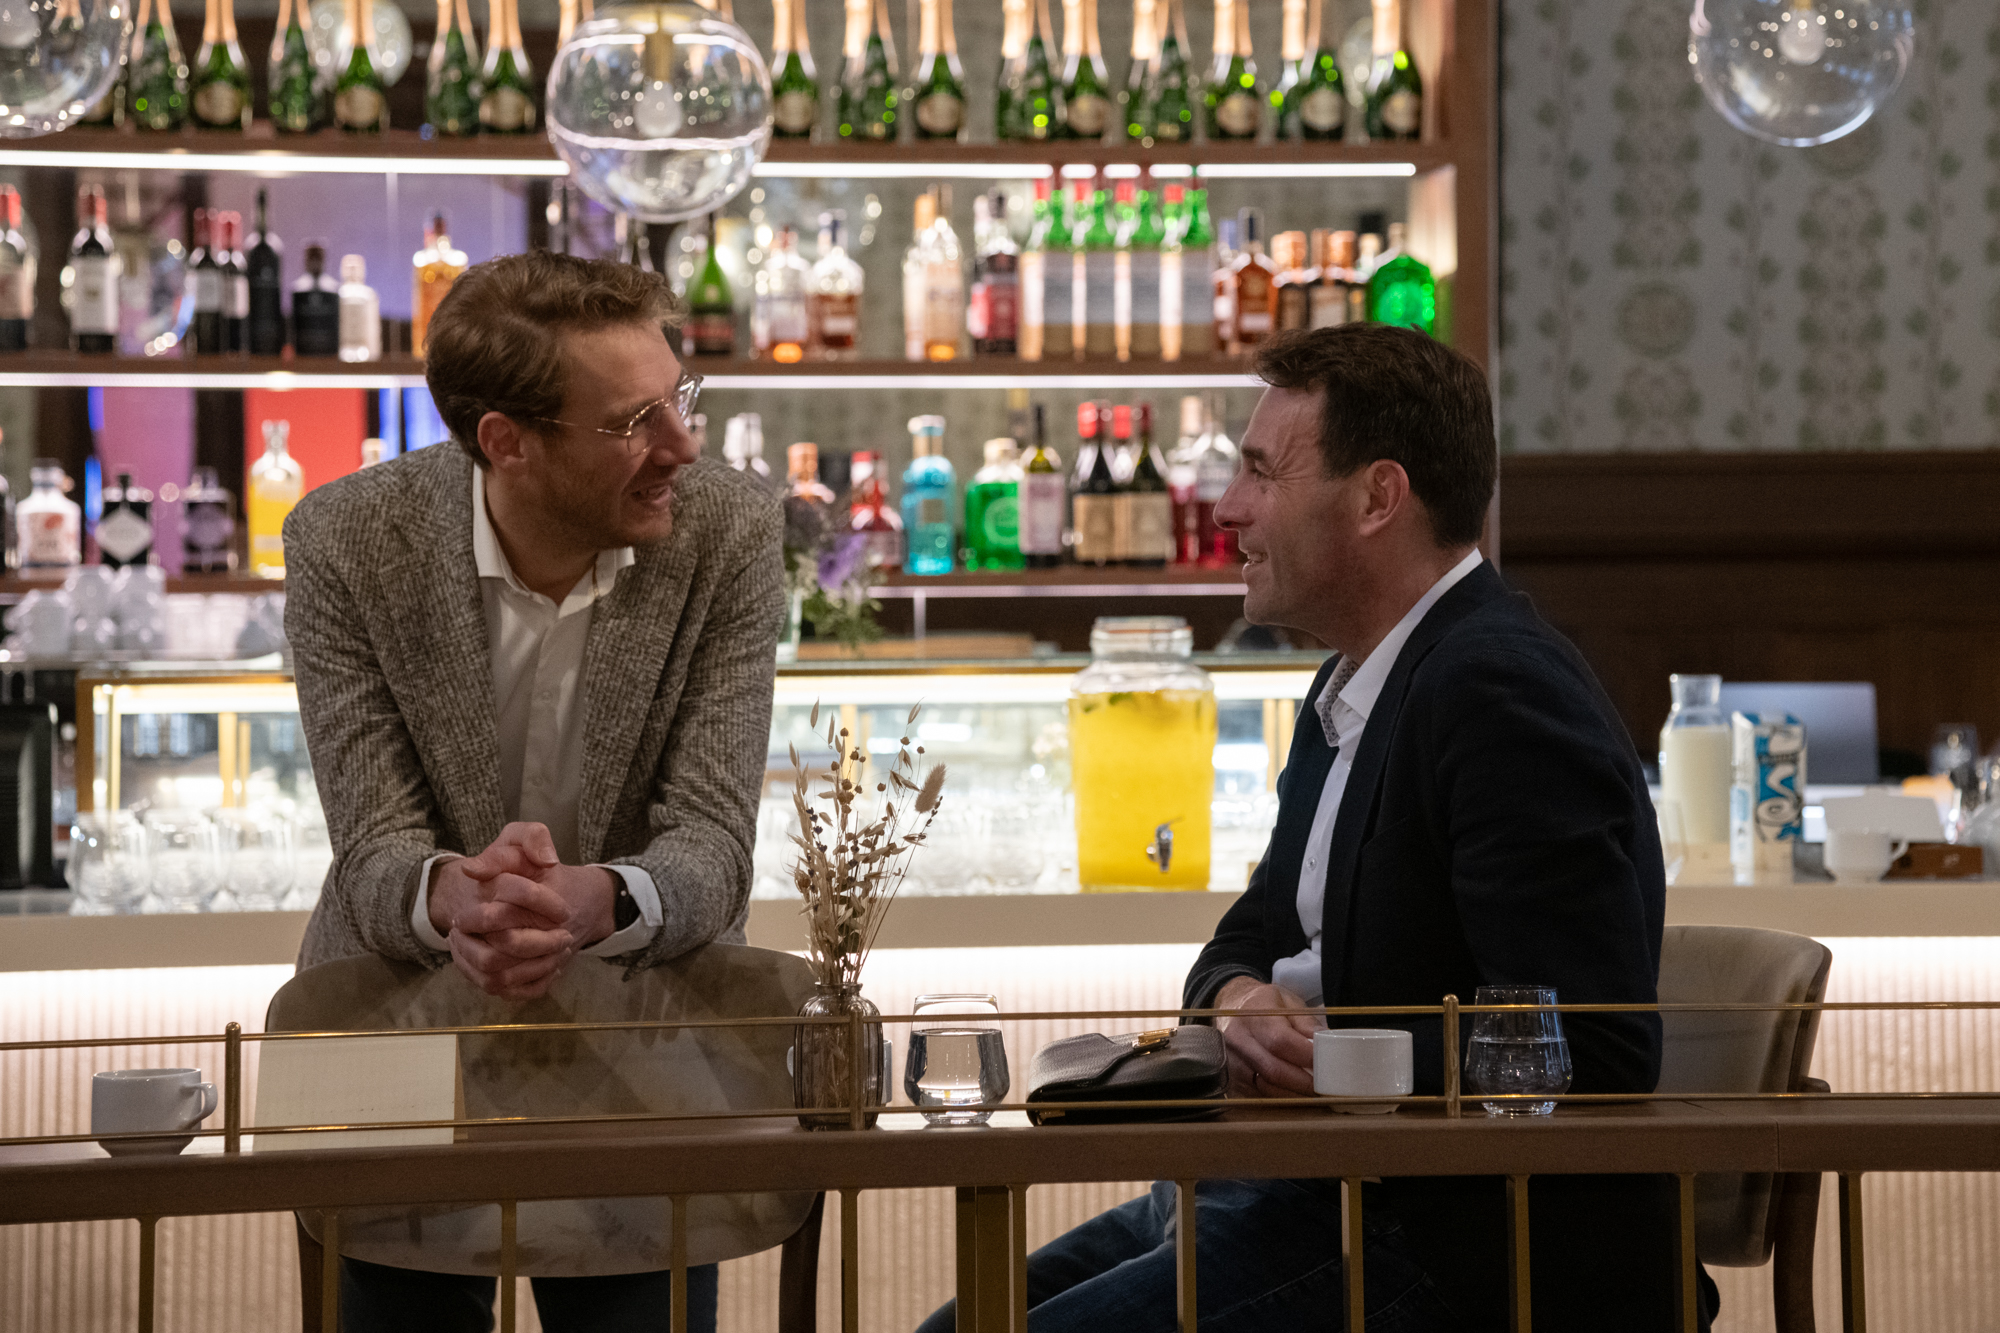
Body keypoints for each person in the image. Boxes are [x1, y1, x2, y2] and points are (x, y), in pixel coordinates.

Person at [917, 324, 1712, 1333]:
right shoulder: (1352, 682)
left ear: (1378, 498)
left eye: (1260, 471)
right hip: (1281, 1183)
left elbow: (1589, 1047)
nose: (1226, 507)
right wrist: (1241, 1000)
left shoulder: (1497, 689)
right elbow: (1242, 940)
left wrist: (1328, 1061)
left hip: (1446, 1237)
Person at [283, 251, 783, 1333]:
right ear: (506, 440)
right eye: (636, 422)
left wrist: (603, 898)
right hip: (389, 1023)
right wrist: (451, 898)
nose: (683, 445)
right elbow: (372, 841)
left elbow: (711, 837)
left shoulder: (729, 531)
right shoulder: (344, 538)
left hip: (640, 1027)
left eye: (680, 398)